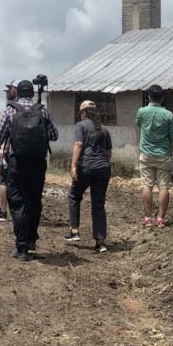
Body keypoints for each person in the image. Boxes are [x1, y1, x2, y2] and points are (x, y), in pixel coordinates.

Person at [0, 80, 58, 261]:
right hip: (38, 163)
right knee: (35, 200)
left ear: (17, 93)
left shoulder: (11, 110)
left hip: (17, 162)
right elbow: (54, 135)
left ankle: (21, 248)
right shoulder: (42, 110)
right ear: (32, 93)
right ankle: (32, 239)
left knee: (19, 202)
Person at [65, 100, 112, 253]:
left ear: (83, 113)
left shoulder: (80, 126)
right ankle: (100, 242)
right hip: (103, 169)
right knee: (98, 205)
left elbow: (78, 144)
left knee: (74, 196)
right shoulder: (105, 129)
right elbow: (108, 153)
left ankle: (74, 231)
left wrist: (73, 165)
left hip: (85, 168)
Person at [135, 84, 173, 227]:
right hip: (164, 156)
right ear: (163, 98)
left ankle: (147, 219)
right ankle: (160, 219)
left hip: (146, 155)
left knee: (146, 186)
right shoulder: (168, 115)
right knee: (164, 187)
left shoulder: (141, 112)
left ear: (148, 96)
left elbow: (138, 124)